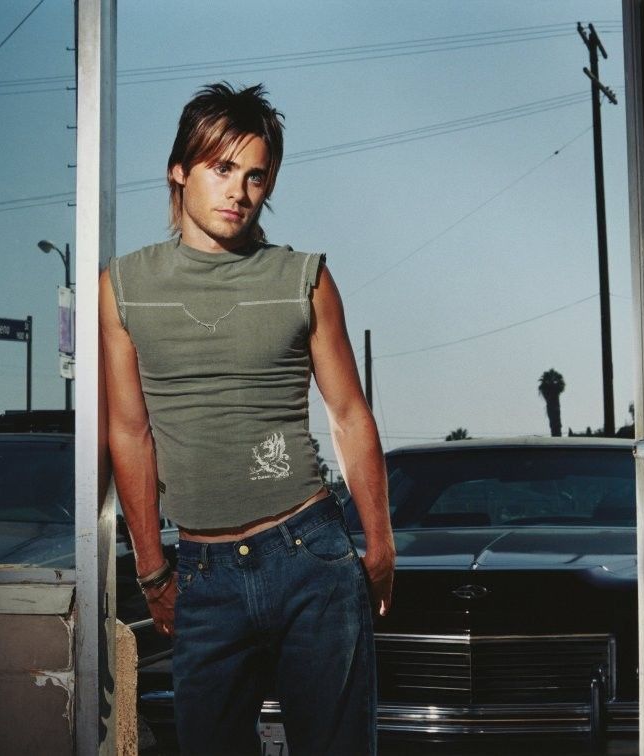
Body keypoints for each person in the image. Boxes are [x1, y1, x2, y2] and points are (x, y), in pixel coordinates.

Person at [99, 82, 395, 755]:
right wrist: (152, 568)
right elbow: (129, 432)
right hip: (202, 573)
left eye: (256, 176)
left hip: (310, 557)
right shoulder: (123, 287)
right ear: (179, 170)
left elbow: (349, 414)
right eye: (223, 168)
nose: (239, 191)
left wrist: (380, 543)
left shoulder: (304, 278)